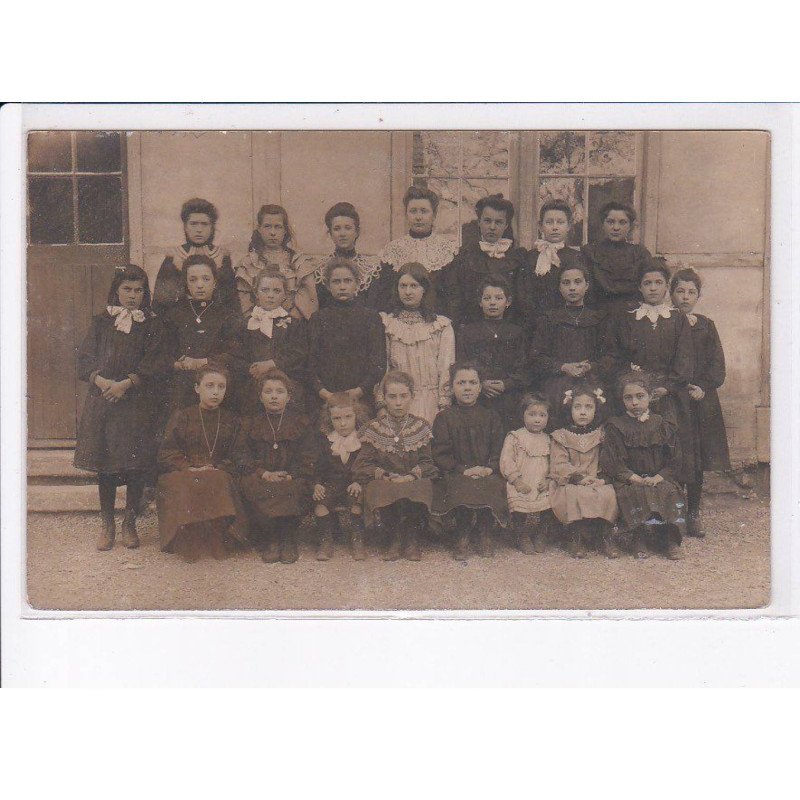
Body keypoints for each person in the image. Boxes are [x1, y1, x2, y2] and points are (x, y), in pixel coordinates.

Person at [75, 264, 168, 551]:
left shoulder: (151, 325)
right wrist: (103, 382)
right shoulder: (101, 322)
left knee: (135, 465)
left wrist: (125, 384)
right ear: (116, 290)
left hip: (136, 403)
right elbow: (85, 359)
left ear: (145, 293)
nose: (132, 296)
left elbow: (154, 363)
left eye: (138, 290)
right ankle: (108, 525)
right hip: (104, 401)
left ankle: (130, 523)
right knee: (106, 466)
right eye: (127, 289)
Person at [605, 257, 696, 483]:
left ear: (667, 287)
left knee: (670, 443)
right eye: (647, 283)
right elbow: (616, 355)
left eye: (658, 283)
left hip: (668, 394)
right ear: (639, 287)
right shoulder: (628, 318)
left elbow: (685, 359)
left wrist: (667, 387)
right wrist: (631, 381)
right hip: (635, 393)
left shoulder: (677, 319)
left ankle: (670, 493)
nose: (653, 288)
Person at [156, 364, 250, 562]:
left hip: (218, 470)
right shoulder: (183, 416)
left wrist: (216, 467)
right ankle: (191, 536)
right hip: (184, 470)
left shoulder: (231, 420)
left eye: (221, 387)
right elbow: (168, 452)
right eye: (210, 386)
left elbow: (238, 454)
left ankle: (217, 535)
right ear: (197, 388)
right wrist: (187, 467)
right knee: (184, 481)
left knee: (219, 479)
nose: (216, 392)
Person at [670, 267, 731, 537]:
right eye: (680, 291)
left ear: (698, 296)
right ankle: (674, 513)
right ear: (671, 294)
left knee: (696, 458)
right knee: (676, 455)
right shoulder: (665, 322)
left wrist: (703, 386)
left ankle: (693, 513)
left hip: (700, 400)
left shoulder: (706, 324)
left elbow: (717, 365)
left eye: (691, 292)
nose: (685, 297)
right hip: (675, 399)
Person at [354, 371, 439, 561]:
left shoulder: (421, 427)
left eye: (403, 396)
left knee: (422, 486)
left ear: (412, 397)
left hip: (412, 479)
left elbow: (428, 462)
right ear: (384, 398)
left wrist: (410, 476)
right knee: (379, 488)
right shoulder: (373, 428)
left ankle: (412, 538)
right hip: (386, 480)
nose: (398, 402)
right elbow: (363, 464)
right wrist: (385, 475)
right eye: (392, 397)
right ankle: (395, 537)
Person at [600, 372, 685, 560]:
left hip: (658, 477)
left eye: (640, 396)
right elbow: (613, 462)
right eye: (628, 398)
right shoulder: (616, 426)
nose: (635, 403)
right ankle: (638, 539)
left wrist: (658, 477)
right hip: (630, 479)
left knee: (669, 491)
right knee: (634, 493)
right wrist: (634, 478)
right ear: (622, 399)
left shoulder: (661, 424)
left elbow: (674, 459)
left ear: (651, 396)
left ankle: (668, 538)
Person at [236, 369, 315, 564]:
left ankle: (288, 538)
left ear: (288, 397)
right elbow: (242, 454)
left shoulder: (301, 422)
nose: (274, 396)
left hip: (291, 476)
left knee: (295, 486)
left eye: (279, 391)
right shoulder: (250, 423)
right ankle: (271, 539)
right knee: (252, 484)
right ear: (260, 397)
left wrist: (291, 474)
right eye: (268, 391)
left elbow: (308, 455)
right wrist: (263, 473)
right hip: (262, 476)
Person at [432, 362, 507, 560]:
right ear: (451, 387)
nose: (467, 388)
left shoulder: (491, 416)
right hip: (458, 472)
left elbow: (499, 449)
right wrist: (462, 469)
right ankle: (462, 532)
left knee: (492, 484)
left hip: (486, 471)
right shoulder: (444, 418)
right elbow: (441, 453)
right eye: (461, 383)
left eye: (473, 383)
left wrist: (489, 468)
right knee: (460, 485)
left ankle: (485, 531)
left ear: (480, 387)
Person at [161, 255, 244, 412]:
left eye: (206, 279)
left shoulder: (227, 315)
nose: (200, 285)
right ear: (186, 283)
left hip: (217, 387)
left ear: (215, 282)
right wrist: (177, 364)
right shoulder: (173, 315)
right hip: (182, 386)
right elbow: (163, 352)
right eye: (193, 280)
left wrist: (204, 362)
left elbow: (236, 354)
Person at [377, 262, 455, 425]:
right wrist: (381, 404)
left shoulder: (440, 326)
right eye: (403, 286)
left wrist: (444, 403)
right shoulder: (387, 324)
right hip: (397, 401)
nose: (408, 292)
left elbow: (446, 366)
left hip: (431, 402)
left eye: (414, 286)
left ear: (424, 289)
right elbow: (384, 367)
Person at [549, 382, 620, 559]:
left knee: (607, 493)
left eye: (588, 407)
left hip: (596, 479)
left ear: (596, 410)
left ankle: (605, 537)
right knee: (573, 493)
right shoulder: (561, 435)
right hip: (571, 480)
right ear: (569, 409)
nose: (582, 412)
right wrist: (578, 478)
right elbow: (559, 463)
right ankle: (576, 537)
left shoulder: (601, 434)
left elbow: (608, 460)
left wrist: (601, 478)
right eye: (577, 407)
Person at [528, 262, 611, 411]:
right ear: (560, 288)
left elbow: (610, 356)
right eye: (566, 283)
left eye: (577, 282)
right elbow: (536, 357)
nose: (572, 287)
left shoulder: (598, 319)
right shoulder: (549, 319)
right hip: (557, 384)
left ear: (587, 285)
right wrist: (564, 367)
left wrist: (589, 366)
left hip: (591, 381)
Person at [307, 258, 386, 413]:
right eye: (336, 281)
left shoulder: (370, 318)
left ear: (357, 283)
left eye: (348, 281)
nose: (342, 286)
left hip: (361, 398)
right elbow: (310, 363)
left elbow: (379, 362)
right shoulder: (318, 319)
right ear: (328, 286)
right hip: (326, 398)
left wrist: (360, 390)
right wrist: (325, 393)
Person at [441, 194, 528, 329]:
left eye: (498, 222)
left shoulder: (517, 259)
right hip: (471, 328)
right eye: (487, 221)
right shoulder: (465, 258)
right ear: (479, 222)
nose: (492, 227)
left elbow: (522, 302)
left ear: (506, 225)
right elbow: (455, 300)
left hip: (507, 329)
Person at [456, 276, 528, 433]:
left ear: (508, 302)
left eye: (498, 298)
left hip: (509, 398)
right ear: (480, 302)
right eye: (487, 298)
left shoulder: (516, 332)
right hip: (479, 397)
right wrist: (481, 383)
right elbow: (462, 364)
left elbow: (524, 369)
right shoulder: (468, 332)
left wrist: (506, 384)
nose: (493, 303)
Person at [373, 186, 458, 312]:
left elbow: (452, 297)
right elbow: (384, 296)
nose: (418, 217)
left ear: (434, 214)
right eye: (413, 211)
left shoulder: (447, 251)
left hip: (437, 318)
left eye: (424, 211)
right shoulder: (392, 250)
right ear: (406, 214)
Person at [241, 269, 309, 414]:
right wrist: (252, 368)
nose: (270, 295)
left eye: (276, 291)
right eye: (265, 290)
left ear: (285, 295)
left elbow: (298, 354)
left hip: (286, 386)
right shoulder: (246, 324)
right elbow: (237, 354)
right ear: (256, 293)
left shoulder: (293, 324)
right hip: (253, 386)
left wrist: (272, 364)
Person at [311, 393, 370, 561]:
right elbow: (317, 466)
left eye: (348, 417)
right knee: (321, 503)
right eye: (336, 418)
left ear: (356, 416)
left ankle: (357, 538)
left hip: (354, 484)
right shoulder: (326, 440)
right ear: (330, 419)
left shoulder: (362, 440)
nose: (343, 423)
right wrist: (317, 484)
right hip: (332, 484)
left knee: (357, 502)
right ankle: (326, 540)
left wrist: (359, 481)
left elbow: (368, 465)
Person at [152, 198, 236, 314]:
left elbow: (231, 301)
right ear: (185, 227)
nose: (199, 230)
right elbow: (161, 301)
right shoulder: (174, 257)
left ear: (212, 227)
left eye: (204, 224)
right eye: (193, 224)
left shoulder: (222, 257)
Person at [235, 204, 318, 319]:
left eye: (278, 227)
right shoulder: (248, 263)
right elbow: (244, 307)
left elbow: (308, 305)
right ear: (259, 229)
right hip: (256, 324)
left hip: (292, 325)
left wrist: (284, 323)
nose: (272, 232)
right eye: (267, 226)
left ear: (285, 230)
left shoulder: (299, 263)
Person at [517, 199, 586, 333]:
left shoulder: (576, 257)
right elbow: (523, 294)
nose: (555, 227)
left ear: (569, 226)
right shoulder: (529, 257)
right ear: (540, 226)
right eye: (549, 222)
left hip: (567, 323)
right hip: (536, 324)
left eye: (560, 222)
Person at [499, 393, 553, 555]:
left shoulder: (549, 439)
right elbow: (506, 461)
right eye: (532, 414)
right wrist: (516, 481)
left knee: (550, 503)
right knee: (519, 509)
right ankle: (521, 535)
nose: (537, 420)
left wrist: (549, 480)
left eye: (542, 415)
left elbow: (554, 463)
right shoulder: (515, 437)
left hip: (541, 482)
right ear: (522, 415)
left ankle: (541, 534)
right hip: (521, 481)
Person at [581, 201, 652, 314]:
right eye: (610, 222)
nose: (616, 227)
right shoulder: (590, 252)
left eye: (622, 222)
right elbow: (588, 291)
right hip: (598, 314)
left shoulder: (640, 254)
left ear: (630, 226)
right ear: (603, 223)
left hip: (632, 314)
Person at [312, 202, 382, 308]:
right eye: (337, 229)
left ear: (357, 232)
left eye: (348, 228)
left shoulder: (371, 269)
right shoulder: (320, 269)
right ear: (330, 233)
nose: (342, 234)